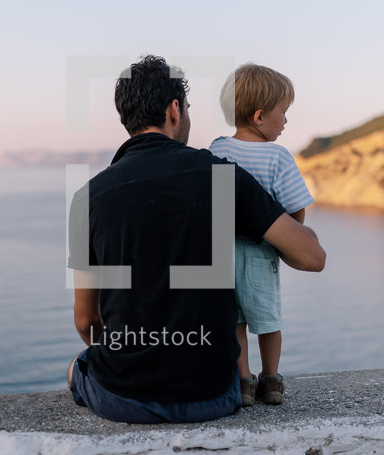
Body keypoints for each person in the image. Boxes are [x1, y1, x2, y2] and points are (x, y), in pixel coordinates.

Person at [66, 55, 325, 423]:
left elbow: (86, 320)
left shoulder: (86, 199)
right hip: (217, 395)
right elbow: (311, 257)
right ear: (174, 111)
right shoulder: (221, 176)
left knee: (79, 365)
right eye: (187, 108)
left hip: (126, 398)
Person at [209, 63, 314, 407]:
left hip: (222, 253)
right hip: (260, 252)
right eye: (283, 112)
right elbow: (296, 209)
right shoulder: (277, 156)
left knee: (234, 319)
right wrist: (290, 234)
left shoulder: (216, 149)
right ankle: (271, 380)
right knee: (268, 318)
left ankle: (243, 381)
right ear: (259, 116)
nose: (286, 120)